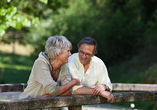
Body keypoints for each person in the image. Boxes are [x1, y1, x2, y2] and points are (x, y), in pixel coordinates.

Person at [68, 37, 113, 102]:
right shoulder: (70, 61)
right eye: (81, 52)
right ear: (78, 49)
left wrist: (104, 86)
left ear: (93, 54)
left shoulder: (99, 63)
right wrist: (101, 92)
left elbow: (108, 84)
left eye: (88, 54)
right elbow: (75, 90)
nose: (83, 56)